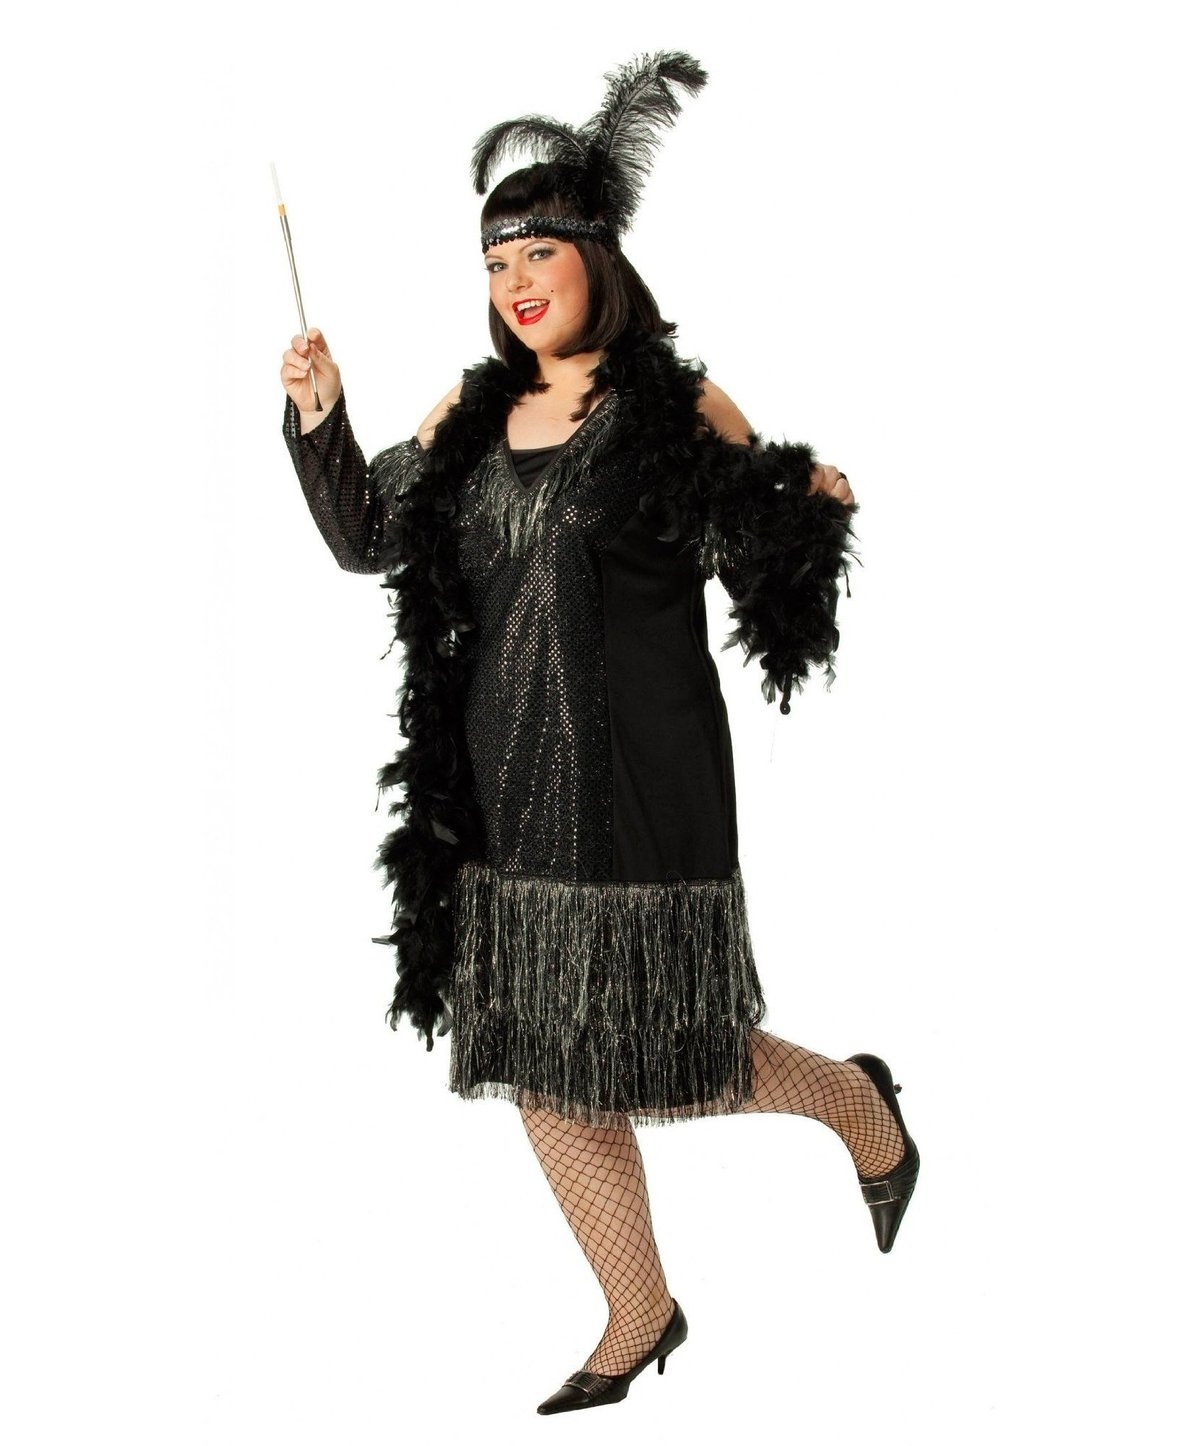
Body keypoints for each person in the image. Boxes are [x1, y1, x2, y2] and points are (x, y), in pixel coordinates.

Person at [278, 50, 919, 1415]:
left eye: (539, 254)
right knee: (538, 1057)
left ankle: (860, 1109)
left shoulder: (672, 408)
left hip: (639, 776)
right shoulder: (468, 416)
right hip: (502, 782)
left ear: (596, 260)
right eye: (495, 262)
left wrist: (808, 511)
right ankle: (639, 1306)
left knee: (668, 1046)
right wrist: (323, 416)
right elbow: (367, 536)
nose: (515, 283)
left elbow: (760, 567)